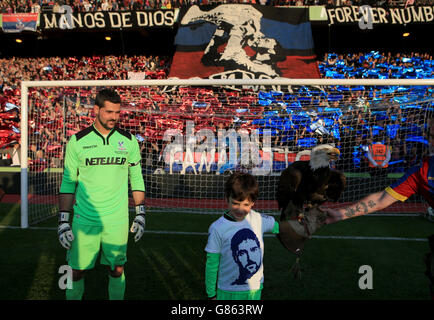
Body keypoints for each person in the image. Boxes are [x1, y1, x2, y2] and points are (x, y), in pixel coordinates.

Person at [57, 89, 146, 300]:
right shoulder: (77, 141)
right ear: (96, 110)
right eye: (108, 112)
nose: (114, 117)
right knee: (75, 271)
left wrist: (140, 212)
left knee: (117, 269)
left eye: (117, 112)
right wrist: (63, 220)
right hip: (84, 219)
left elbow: (137, 177)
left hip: (117, 220)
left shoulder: (129, 141)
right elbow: (69, 182)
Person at [325, 117, 434, 223]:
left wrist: (375, 163)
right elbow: (381, 199)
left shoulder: (372, 147)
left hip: (374, 167)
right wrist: (342, 214)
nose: (432, 142)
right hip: (382, 167)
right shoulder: (421, 171)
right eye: (432, 136)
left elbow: (370, 156)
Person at [204, 172, 279, 300]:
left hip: (254, 289)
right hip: (227, 291)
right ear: (226, 198)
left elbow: (280, 227)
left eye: (246, 205)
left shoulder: (258, 219)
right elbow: (212, 263)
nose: (240, 209)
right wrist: (211, 294)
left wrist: (309, 220)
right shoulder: (217, 228)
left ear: (253, 202)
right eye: (235, 203)